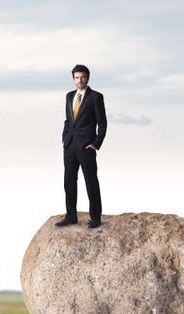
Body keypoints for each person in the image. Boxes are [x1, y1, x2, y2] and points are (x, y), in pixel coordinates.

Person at [55, 65, 107, 229]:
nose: (80, 80)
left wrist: (96, 144)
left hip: (86, 146)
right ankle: (71, 216)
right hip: (70, 145)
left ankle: (95, 217)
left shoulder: (96, 97)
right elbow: (68, 120)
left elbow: (102, 123)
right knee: (69, 181)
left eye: (83, 77)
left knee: (91, 181)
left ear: (88, 77)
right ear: (73, 79)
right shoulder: (69, 96)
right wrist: (65, 138)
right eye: (77, 77)